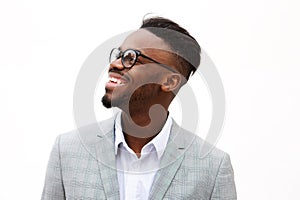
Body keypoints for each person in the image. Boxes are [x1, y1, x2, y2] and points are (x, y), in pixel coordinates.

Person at [42, 16, 237, 200]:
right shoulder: (67, 150)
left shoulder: (213, 167)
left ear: (169, 81)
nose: (115, 64)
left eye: (132, 58)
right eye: (120, 55)